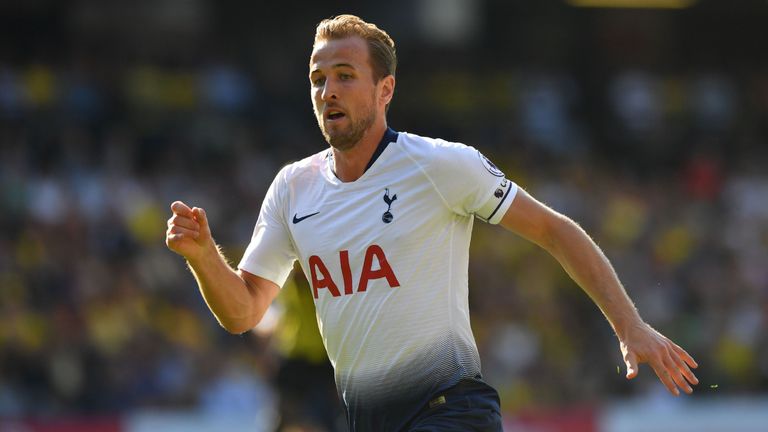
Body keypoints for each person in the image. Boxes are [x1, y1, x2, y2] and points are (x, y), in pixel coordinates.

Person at [165, 14, 699, 431]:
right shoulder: (291, 189)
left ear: (385, 90)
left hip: (452, 410)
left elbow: (555, 230)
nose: (328, 91)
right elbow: (243, 313)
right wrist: (205, 258)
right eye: (318, 78)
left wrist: (629, 325)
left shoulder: (440, 165)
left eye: (345, 76)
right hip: (368, 420)